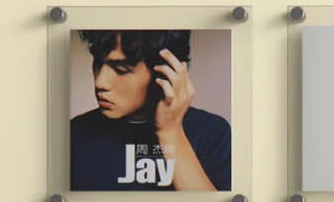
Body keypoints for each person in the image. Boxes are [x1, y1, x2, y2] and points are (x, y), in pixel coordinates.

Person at [70, 30, 230, 192]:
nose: (100, 82)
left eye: (121, 70)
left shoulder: (213, 134)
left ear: (166, 72)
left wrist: (170, 132)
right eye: (97, 63)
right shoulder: (74, 133)